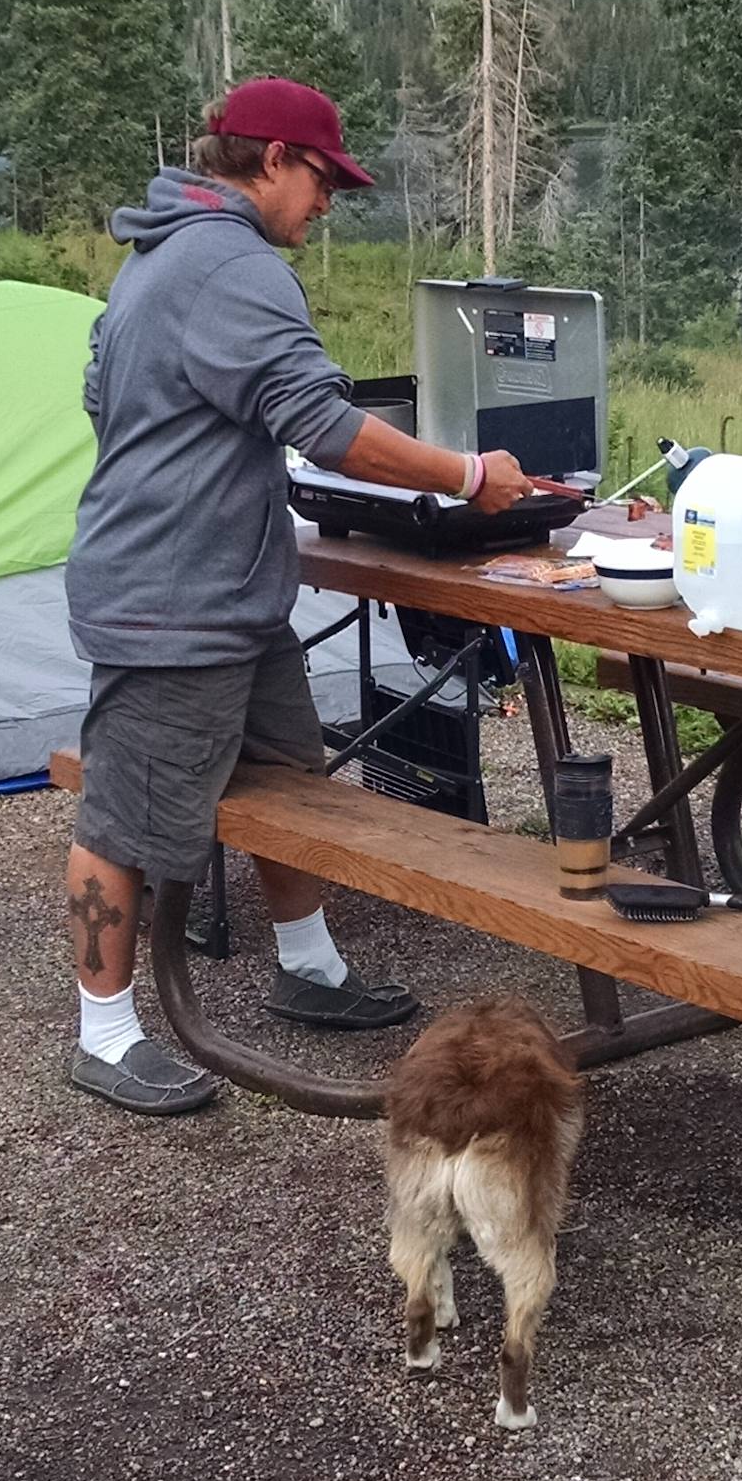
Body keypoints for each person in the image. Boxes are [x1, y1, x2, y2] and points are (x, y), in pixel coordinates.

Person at [61, 77, 546, 1114]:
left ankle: (310, 966)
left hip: (227, 593)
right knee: (123, 814)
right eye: (325, 178)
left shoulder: (156, 255)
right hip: (169, 605)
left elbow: (112, 402)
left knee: (289, 776)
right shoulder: (234, 267)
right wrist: (467, 475)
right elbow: (324, 428)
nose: (329, 202)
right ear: (273, 159)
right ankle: (103, 1034)